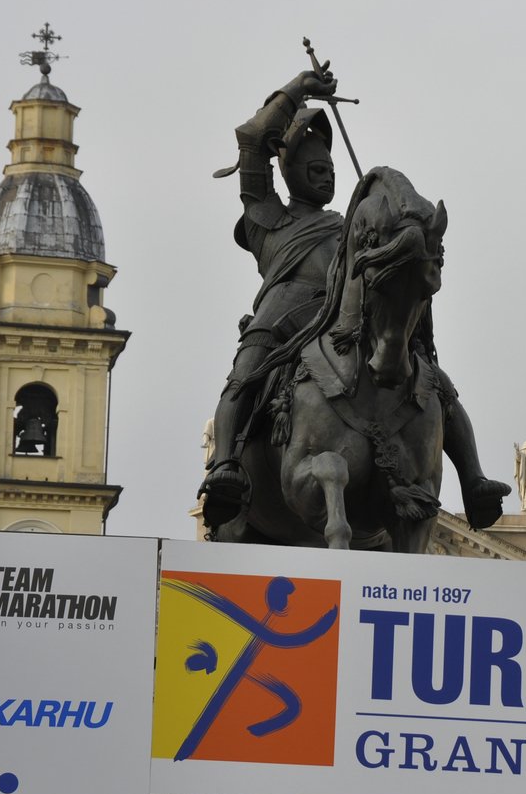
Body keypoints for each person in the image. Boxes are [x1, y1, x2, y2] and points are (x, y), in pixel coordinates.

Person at [200, 69, 508, 532]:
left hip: (347, 316)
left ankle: (474, 479)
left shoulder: (345, 227)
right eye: (316, 170)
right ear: (291, 173)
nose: (326, 178)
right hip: (284, 318)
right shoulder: (268, 220)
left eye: (331, 171)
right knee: (244, 376)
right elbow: (251, 140)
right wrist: (299, 88)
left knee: (431, 378)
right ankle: (225, 467)